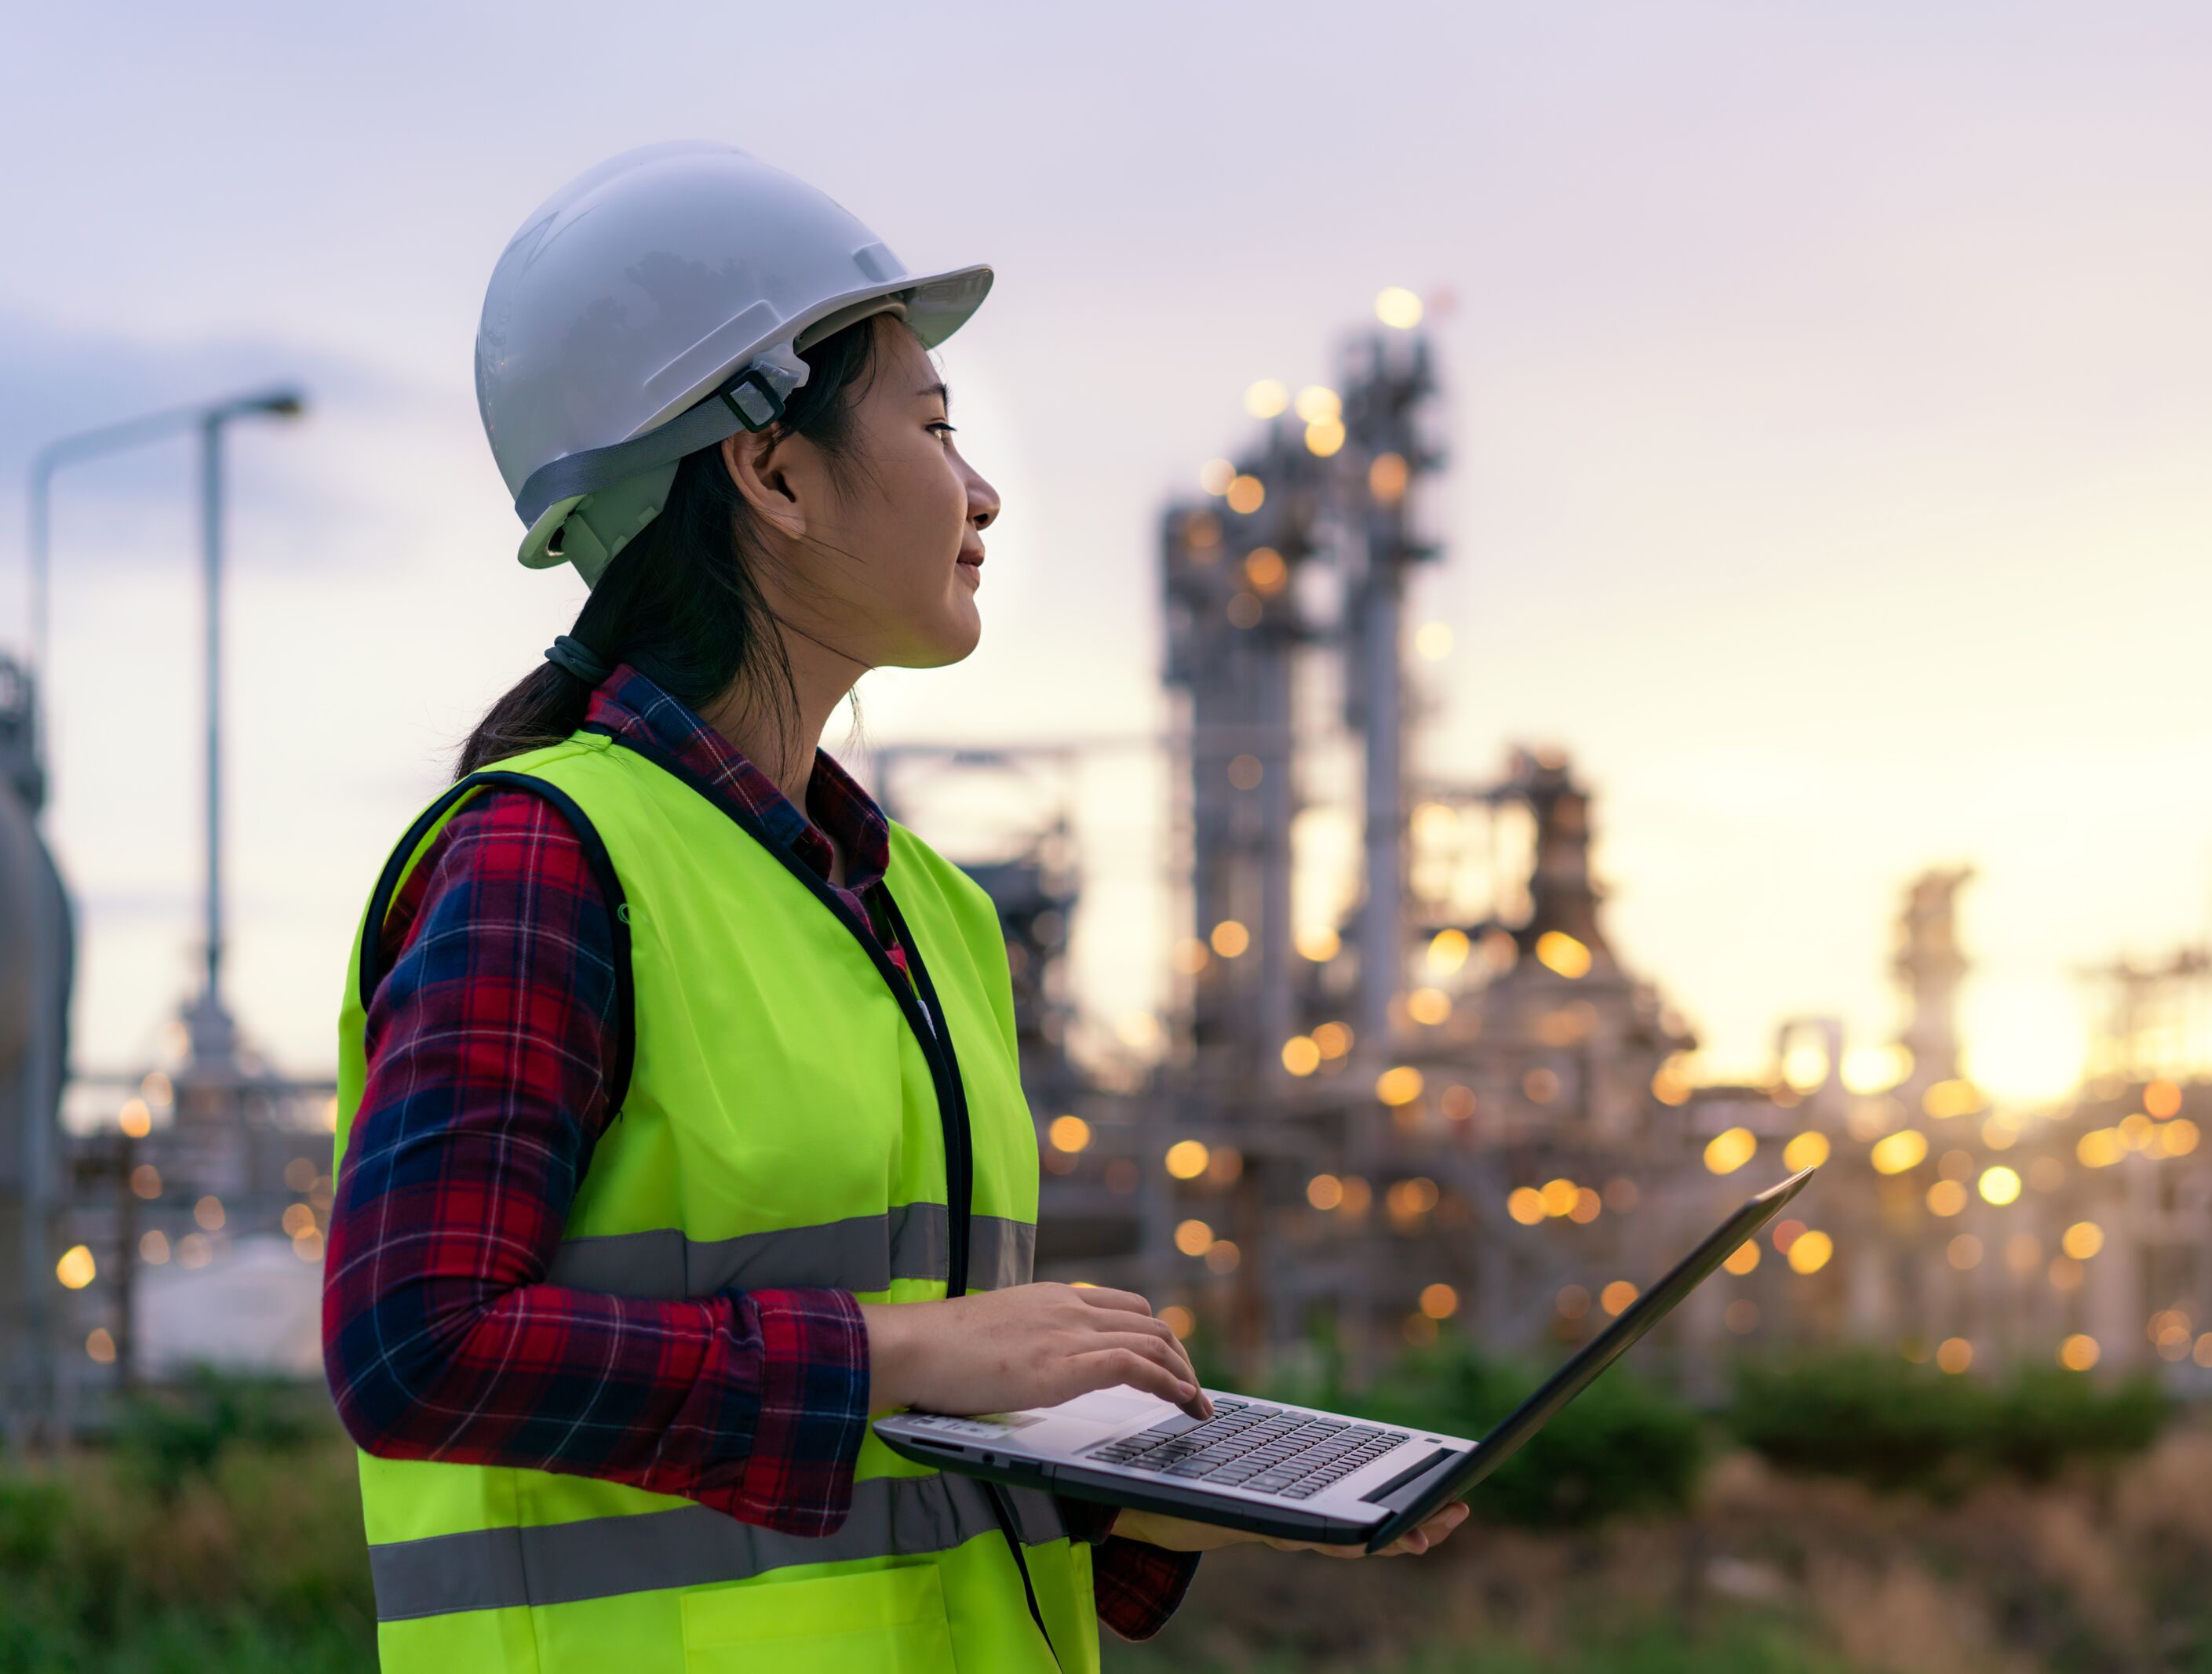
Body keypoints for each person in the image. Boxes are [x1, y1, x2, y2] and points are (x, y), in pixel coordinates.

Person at [320, 141, 1466, 1674]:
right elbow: (418, 1349)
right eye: (932, 425)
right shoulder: (548, 859)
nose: (979, 488)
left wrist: (1167, 1502)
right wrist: (901, 1347)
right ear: (772, 471)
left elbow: (910, 1476)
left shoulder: (922, 907)